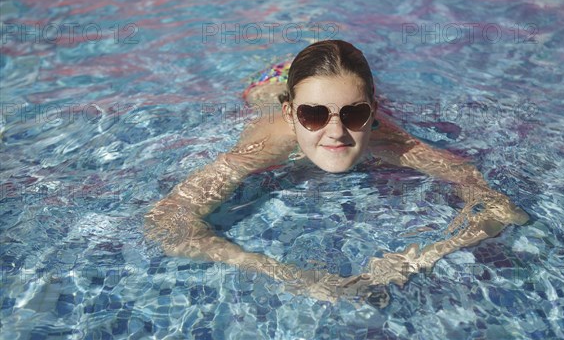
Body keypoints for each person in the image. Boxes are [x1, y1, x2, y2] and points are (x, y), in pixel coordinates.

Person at [145, 40, 529, 305]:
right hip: (270, 82)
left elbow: (498, 206)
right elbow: (165, 222)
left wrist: (417, 260)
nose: (335, 132)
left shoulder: (388, 141)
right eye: (311, 116)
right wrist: (289, 275)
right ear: (289, 115)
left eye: (355, 114)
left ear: (374, 113)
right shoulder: (265, 147)